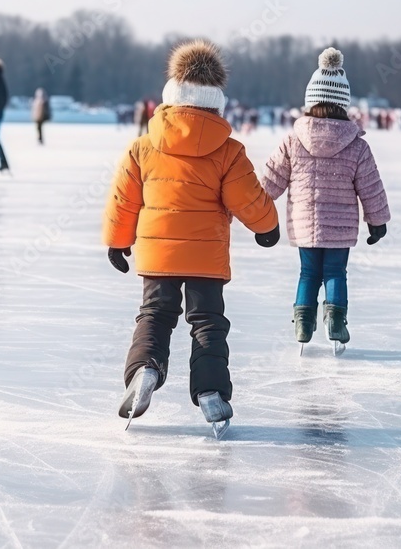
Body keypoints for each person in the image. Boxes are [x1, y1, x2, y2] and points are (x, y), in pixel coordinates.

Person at [103, 40, 279, 435]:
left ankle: (145, 369)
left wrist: (117, 239)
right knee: (207, 323)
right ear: (216, 102)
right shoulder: (229, 151)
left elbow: (123, 197)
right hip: (206, 257)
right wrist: (267, 226)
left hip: (157, 253)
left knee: (154, 315)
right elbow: (248, 197)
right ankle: (211, 391)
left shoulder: (142, 147)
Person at [261, 48, 390, 355]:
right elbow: (370, 186)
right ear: (343, 103)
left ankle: (303, 324)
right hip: (340, 227)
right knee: (335, 273)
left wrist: (255, 209)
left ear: (311, 100)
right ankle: (335, 321)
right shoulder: (357, 145)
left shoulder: (293, 140)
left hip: (304, 224)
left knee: (308, 273)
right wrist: (377, 221)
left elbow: (271, 180)